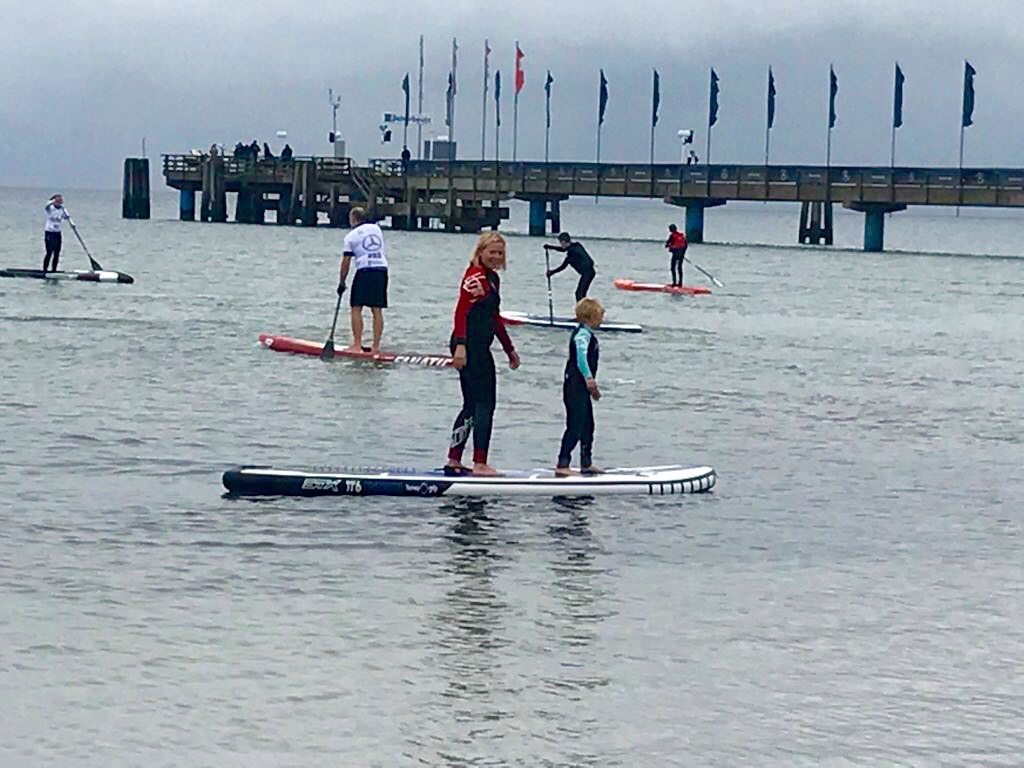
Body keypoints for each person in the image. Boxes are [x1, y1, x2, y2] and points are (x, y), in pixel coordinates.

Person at [446, 232, 520, 477]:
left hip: (480, 346)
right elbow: (461, 314)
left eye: (500, 253)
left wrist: (509, 348)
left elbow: (494, 318)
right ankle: (479, 463)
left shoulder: (493, 280)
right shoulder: (475, 279)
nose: (496, 257)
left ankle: (454, 459)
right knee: (484, 403)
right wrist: (460, 346)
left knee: (471, 403)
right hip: (469, 346)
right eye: (492, 252)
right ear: (480, 252)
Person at [555, 298, 605, 477]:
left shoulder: (589, 334)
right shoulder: (582, 335)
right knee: (575, 424)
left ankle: (586, 462)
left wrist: (592, 389)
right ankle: (563, 463)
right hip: (575, 385)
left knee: (588, 425)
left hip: (582, 387)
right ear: (590, 317)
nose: (602, 319)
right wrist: (589, 379)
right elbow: (581, 358)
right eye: (600, 316)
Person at [338, 206, 388, 354]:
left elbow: (346, 262)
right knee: (376, 309)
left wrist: (342, 282)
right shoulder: (376, 229)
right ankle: (376, 346)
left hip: (365, 270)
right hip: (382, 269)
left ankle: (357, 345)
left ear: (353, 219)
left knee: (356, 307)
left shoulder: (350, 237)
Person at [545, 232, 596, 302]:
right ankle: (584, 310)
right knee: (581, 294)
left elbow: (563, 266)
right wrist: (550, 247)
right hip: (590, 272)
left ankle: (582, 311)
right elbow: (563, 249)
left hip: (587, 273)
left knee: (579, 294)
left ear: (563, 242)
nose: (560, 244)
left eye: (560, 242)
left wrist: (552, 272)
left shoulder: (572, 253)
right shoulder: (576, 245)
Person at [43, 194, 67, 272]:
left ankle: (54, 270)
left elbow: (67, 217)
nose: (59, 202)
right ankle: (45, 270)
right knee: (49, 252)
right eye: (58, 201)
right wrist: (54, 200)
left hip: (57, 233)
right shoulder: (50, 208)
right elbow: (46, 205)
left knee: (57, 252)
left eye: (60, 201)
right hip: (49, 232)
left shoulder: (62, 210)